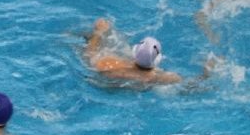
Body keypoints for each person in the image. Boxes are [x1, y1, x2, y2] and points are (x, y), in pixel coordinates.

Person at [81, 18, 214, 87]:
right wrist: (207, 73)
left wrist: (98, 33)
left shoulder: (110, 65)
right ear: (158, 60)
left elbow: (88, 54)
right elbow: (192, 86)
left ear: (135, 52)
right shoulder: (162, 78)